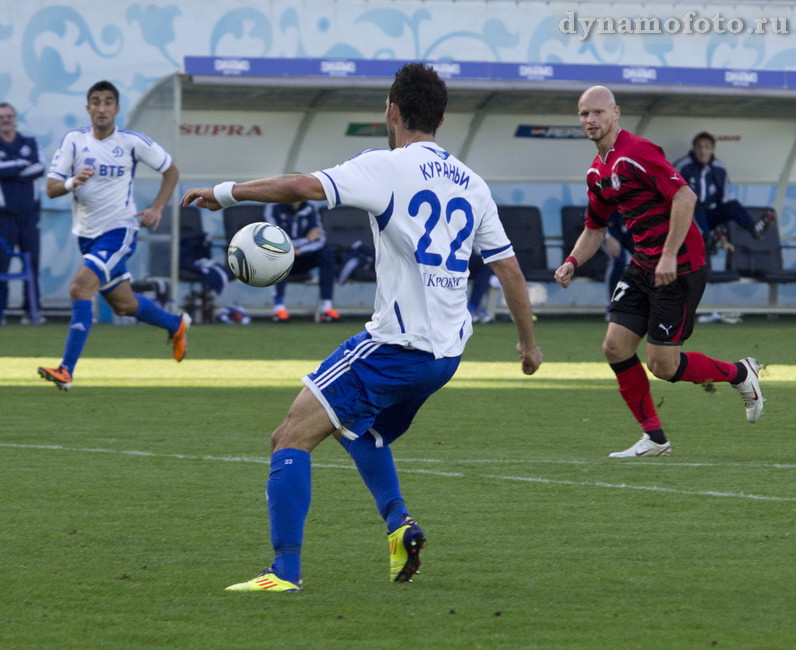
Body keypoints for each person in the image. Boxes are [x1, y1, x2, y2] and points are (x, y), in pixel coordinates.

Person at [182, 63, 543, 592]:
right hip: (445, 356)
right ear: (440, 118)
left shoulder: (385, 166)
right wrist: (528, 345)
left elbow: (304, 187)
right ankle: (400, 526)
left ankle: (283, 572)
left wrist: (226, 192)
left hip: (395, 345)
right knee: (360, 429)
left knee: (290, 436)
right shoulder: (474, 184)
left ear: (392, 111)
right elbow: (508, 269)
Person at [555, 86, 764, 458]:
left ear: (616, 113)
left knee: (663, 366)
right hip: (643, 264)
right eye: (584, 114)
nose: (591, 120)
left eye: (598, 112)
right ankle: (655, 438)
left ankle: (740, 373)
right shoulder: (597, 171)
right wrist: (572, 261)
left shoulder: (638, 152)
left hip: (679, 266)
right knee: (615, 346)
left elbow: (686, 197)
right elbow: (595, 227)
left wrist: (668, 255)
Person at [37, 80, 188, 391]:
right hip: (87, 236)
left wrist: (157, 207)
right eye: (96, 102)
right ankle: (176, 325)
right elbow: (51, 188)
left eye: (108, 102)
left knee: (80, 288)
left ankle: (66, 370)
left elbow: (171, 170)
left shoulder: (132, 143)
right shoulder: (74, 142)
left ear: (117, 109)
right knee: (124, 304)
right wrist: (72, 182)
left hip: (119, 231)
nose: (102, 108)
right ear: (88, 108)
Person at [673, 132, 774, 247]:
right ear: (694, 148)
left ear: (713, 149)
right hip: (688, 214)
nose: (703, 151)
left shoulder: (719, 168)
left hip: (708, 212)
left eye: (707, 147)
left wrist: (726, 239)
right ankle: (708, 240)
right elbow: (671, 192)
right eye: (699, 147)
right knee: (701, 230)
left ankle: (754, 228)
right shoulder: (682, 166)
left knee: (732, 206)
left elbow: (723, 202)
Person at [0, 102, 45, 325]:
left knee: (32, 263)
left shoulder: (29, 142)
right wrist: (20, 165)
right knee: (2, 264)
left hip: (29, 214)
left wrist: (9, 168)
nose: (5, 120)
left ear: (15, 118)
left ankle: (33, 311)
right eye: (1, 117)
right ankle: (1, 311)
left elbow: (40, 168)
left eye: (9, 116)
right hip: (4, 216)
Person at [264, 200, 339, 322]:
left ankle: (326, 308)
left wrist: (300, 250)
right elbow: (275, 240)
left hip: (303, 257)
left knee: (327, 254)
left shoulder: (311, 207)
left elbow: (320, 239)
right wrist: (306, 241)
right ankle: (279, 308)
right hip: (281, 257)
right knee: (279, 256)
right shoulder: (273, 207)